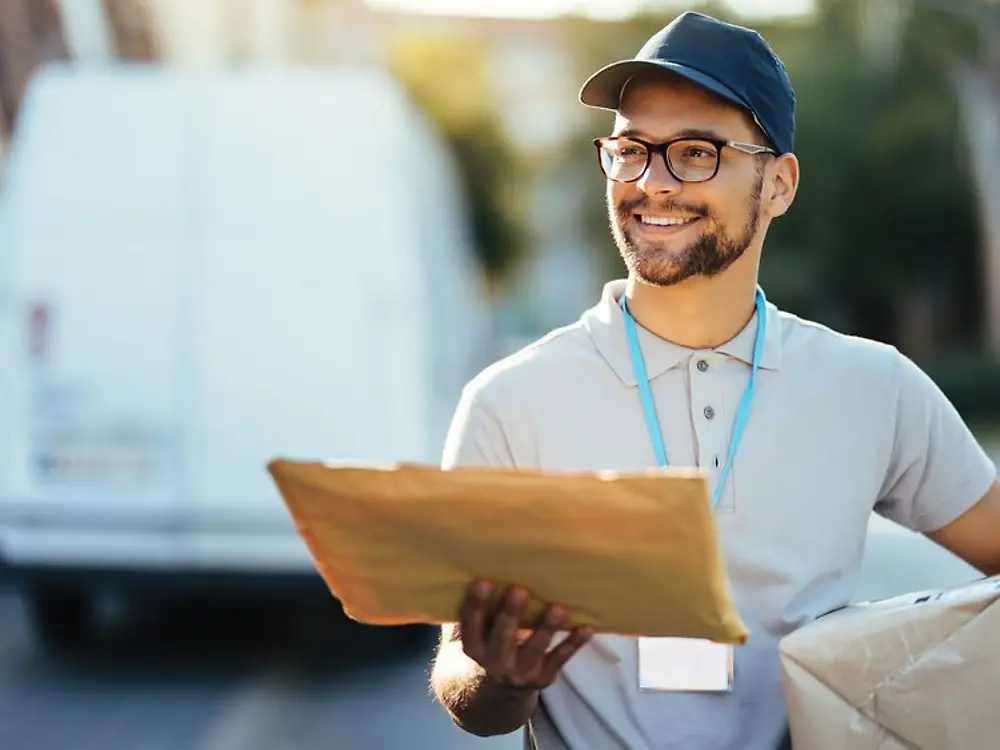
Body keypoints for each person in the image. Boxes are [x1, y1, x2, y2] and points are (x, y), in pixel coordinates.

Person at [429, 11, 1000, 750]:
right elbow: (463, 686)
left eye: (695, 153)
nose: (652, 183)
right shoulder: (510, 403)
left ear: (779, 184)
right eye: (631, 150)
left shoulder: (874, 388)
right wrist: (501, 676)